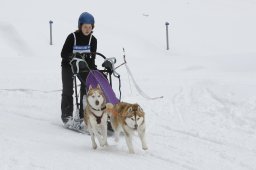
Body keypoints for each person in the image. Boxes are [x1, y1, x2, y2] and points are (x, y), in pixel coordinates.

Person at [60, 12, 97, 124]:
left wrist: (94, 70)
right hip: (68, 66)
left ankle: (83, 116)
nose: (87, 29)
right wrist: (73, 57)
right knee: (68, 89)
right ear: (80, 26)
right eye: (85, 27)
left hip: (84, 68)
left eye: (89, 27)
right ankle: (67, 116)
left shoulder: (93, 40)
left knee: (86, 90)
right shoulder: (72, 37)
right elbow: (63, 53)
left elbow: (92, 58)